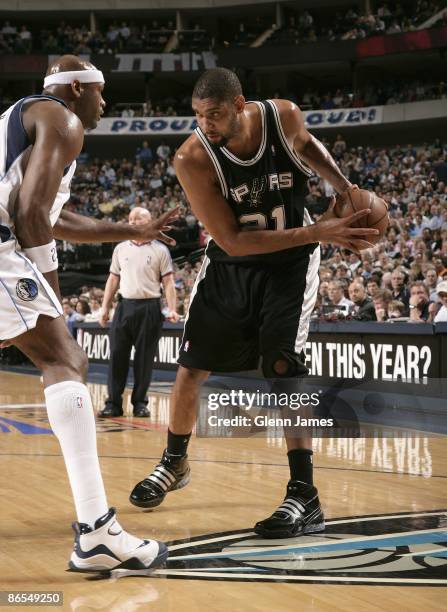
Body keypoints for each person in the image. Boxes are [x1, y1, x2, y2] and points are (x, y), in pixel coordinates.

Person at [129, 67, 378, 538]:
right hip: (231, 264)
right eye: (199, 116)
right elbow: (234, 241)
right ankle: (174, 462)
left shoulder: (283, 116)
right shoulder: (192, 158)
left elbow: (306, 146)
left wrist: (343, 188)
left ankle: (304, 496)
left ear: (240, 105)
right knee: (190, 369)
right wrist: (319, 230)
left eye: (216, 114)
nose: (207, 125)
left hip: (291, 265)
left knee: (283, 367)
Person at [0, 54, 178, 572]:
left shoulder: (20, 119)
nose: (106, 103)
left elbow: (51, 218)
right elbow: (33, 218)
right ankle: (98, 535)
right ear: (77, 88)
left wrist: (130, 230)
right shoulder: (63, 119)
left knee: (65, 360)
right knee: (68, 362)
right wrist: (50, 297)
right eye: (101, 92)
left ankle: (98, 533)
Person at [98, 207, 179, 418]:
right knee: (117, 356)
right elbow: (113, 279)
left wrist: (172, 308)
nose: (133, 222)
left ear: (150, 221)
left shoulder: (161, 249)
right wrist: (105, 306)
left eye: (138, 218)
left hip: (150, 307)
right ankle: (113, 404)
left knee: (145, 359)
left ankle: (140, 403)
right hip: (124, 306)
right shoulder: (120, 248)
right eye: (130, 219)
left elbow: (168, 282)